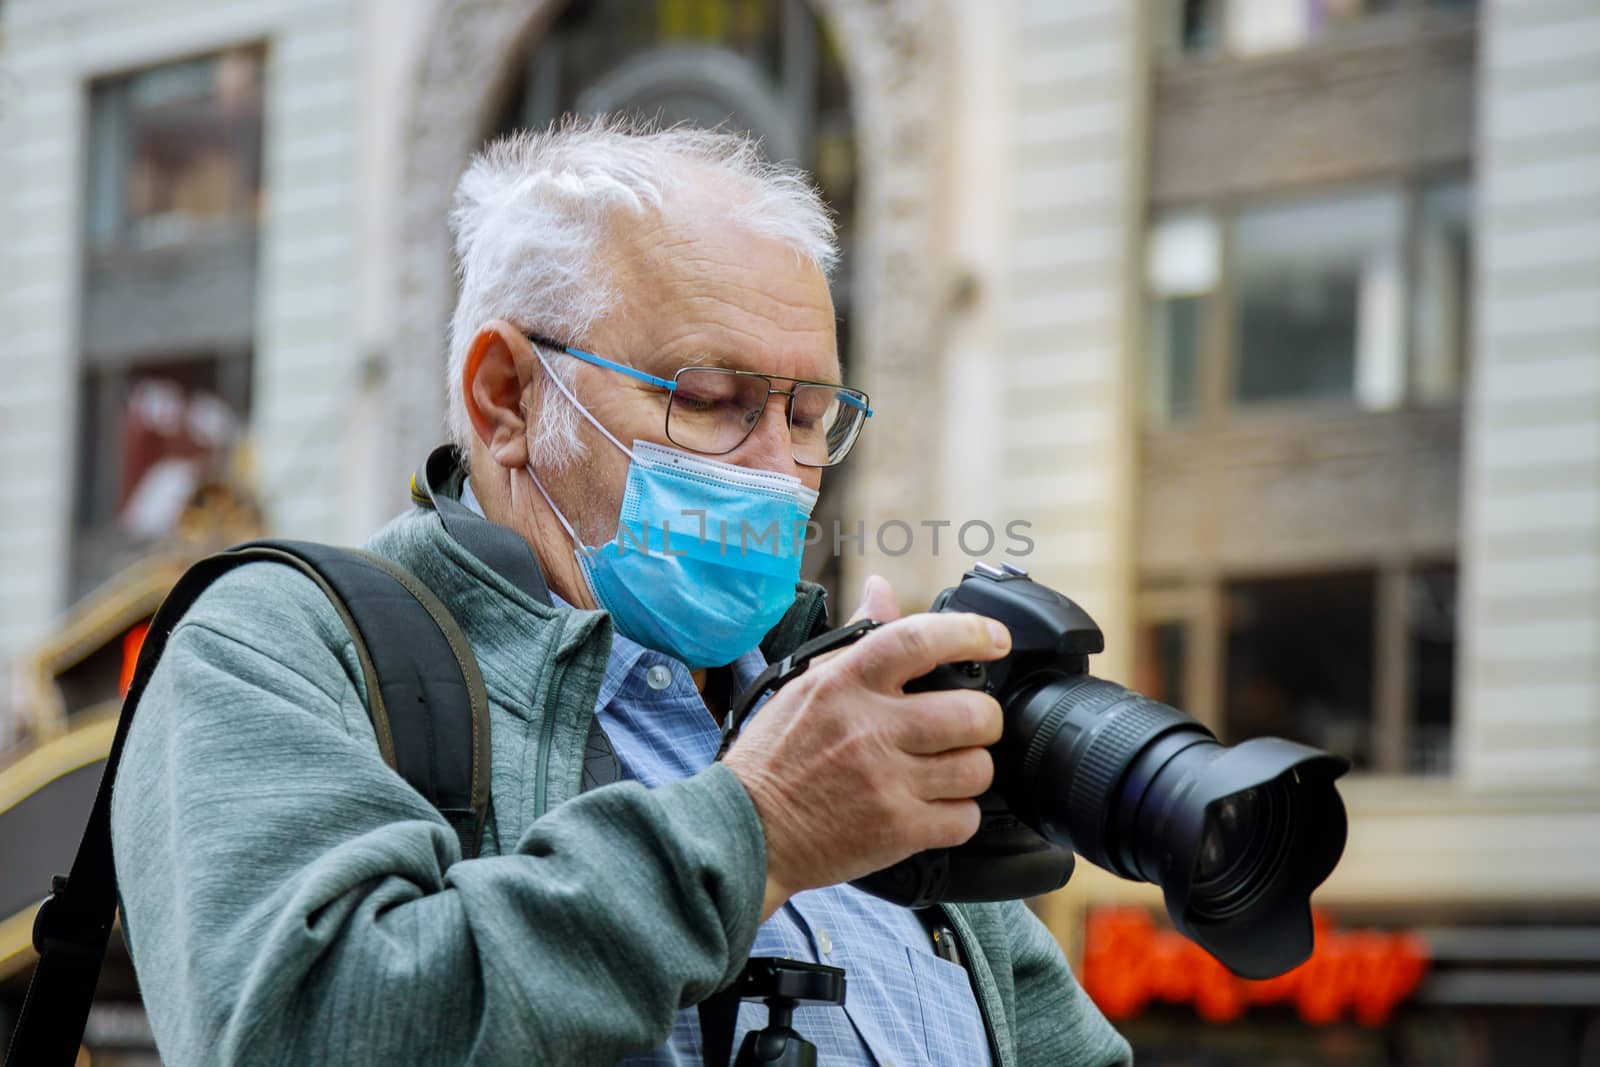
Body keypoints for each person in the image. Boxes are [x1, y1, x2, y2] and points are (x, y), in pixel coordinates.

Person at [110, 119, 1132, 1066]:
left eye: (809, 414)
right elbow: (304, 1025)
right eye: (708, 399)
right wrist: (761, 824)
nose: (777, 471)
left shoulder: (845, 722)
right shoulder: (279, 643)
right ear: (505, 398)